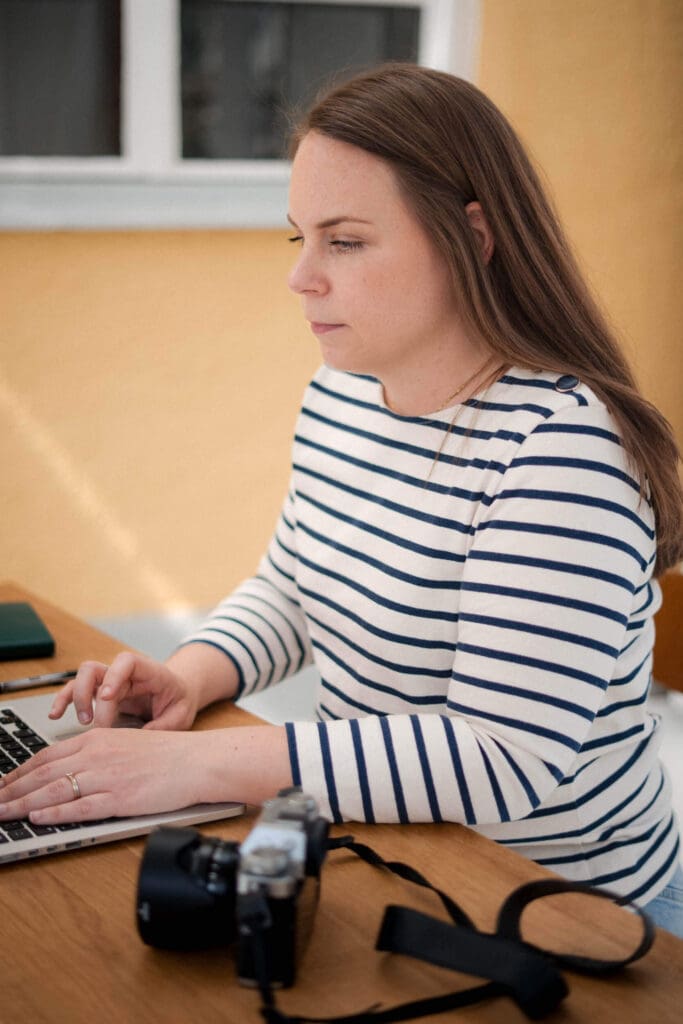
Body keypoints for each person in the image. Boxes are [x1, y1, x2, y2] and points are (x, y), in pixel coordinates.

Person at [1, 64, 682, 935]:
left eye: (346, 240)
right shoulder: (344, 393)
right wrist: (189, 675)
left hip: (570, 917)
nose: (301, 278)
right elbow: (294, 586)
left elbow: (502, 758)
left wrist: (202, 767)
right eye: (299, 239)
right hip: (402, 863)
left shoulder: (560, 446)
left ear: (472, 237)